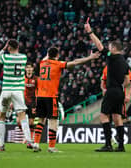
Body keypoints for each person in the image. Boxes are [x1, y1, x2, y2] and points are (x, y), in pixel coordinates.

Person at [33, 47, 100, 153]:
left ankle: (36, 143)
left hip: (40, 96)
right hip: (51, 96)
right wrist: (90, 57)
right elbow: (75, 62)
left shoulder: (42, 63)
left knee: (41, 119)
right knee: (53, 121)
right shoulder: (58, 64)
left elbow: (47, 56)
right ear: (57, 55)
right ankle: (51, 147)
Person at [85, 19, 130, 152]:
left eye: (110, 47)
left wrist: (90, 32)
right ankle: (121, 146)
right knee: (117, 117)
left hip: (111, 90)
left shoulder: (112, 57)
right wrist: (122, 87)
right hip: (120, 91)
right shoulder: (124, 62)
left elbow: (99, 46)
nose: (108, 48)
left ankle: (108, 144)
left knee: (104, 116)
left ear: (114, 49)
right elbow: (127, 79)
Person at [0, 39, 33, 151]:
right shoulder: (23, 57)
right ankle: (29, 141)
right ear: (18, 47)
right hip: (18, 91)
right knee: (22, 115)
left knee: (1, 116)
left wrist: (3, 49)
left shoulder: (5, 57)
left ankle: (1, 145)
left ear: (9, 48)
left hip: (6, 90)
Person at [24, 62, 37, 140]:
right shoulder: (22, 78)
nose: (29, 69)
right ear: (25, 69)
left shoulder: (36, 79)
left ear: (33, 69)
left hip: (32, 103)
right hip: (23, 102)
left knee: (31, 123)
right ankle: (26, 136)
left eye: (30, 67)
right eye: (27, 67)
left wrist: (36, 104)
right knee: (19, 121)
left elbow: (38, 91)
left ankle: (30, 138)